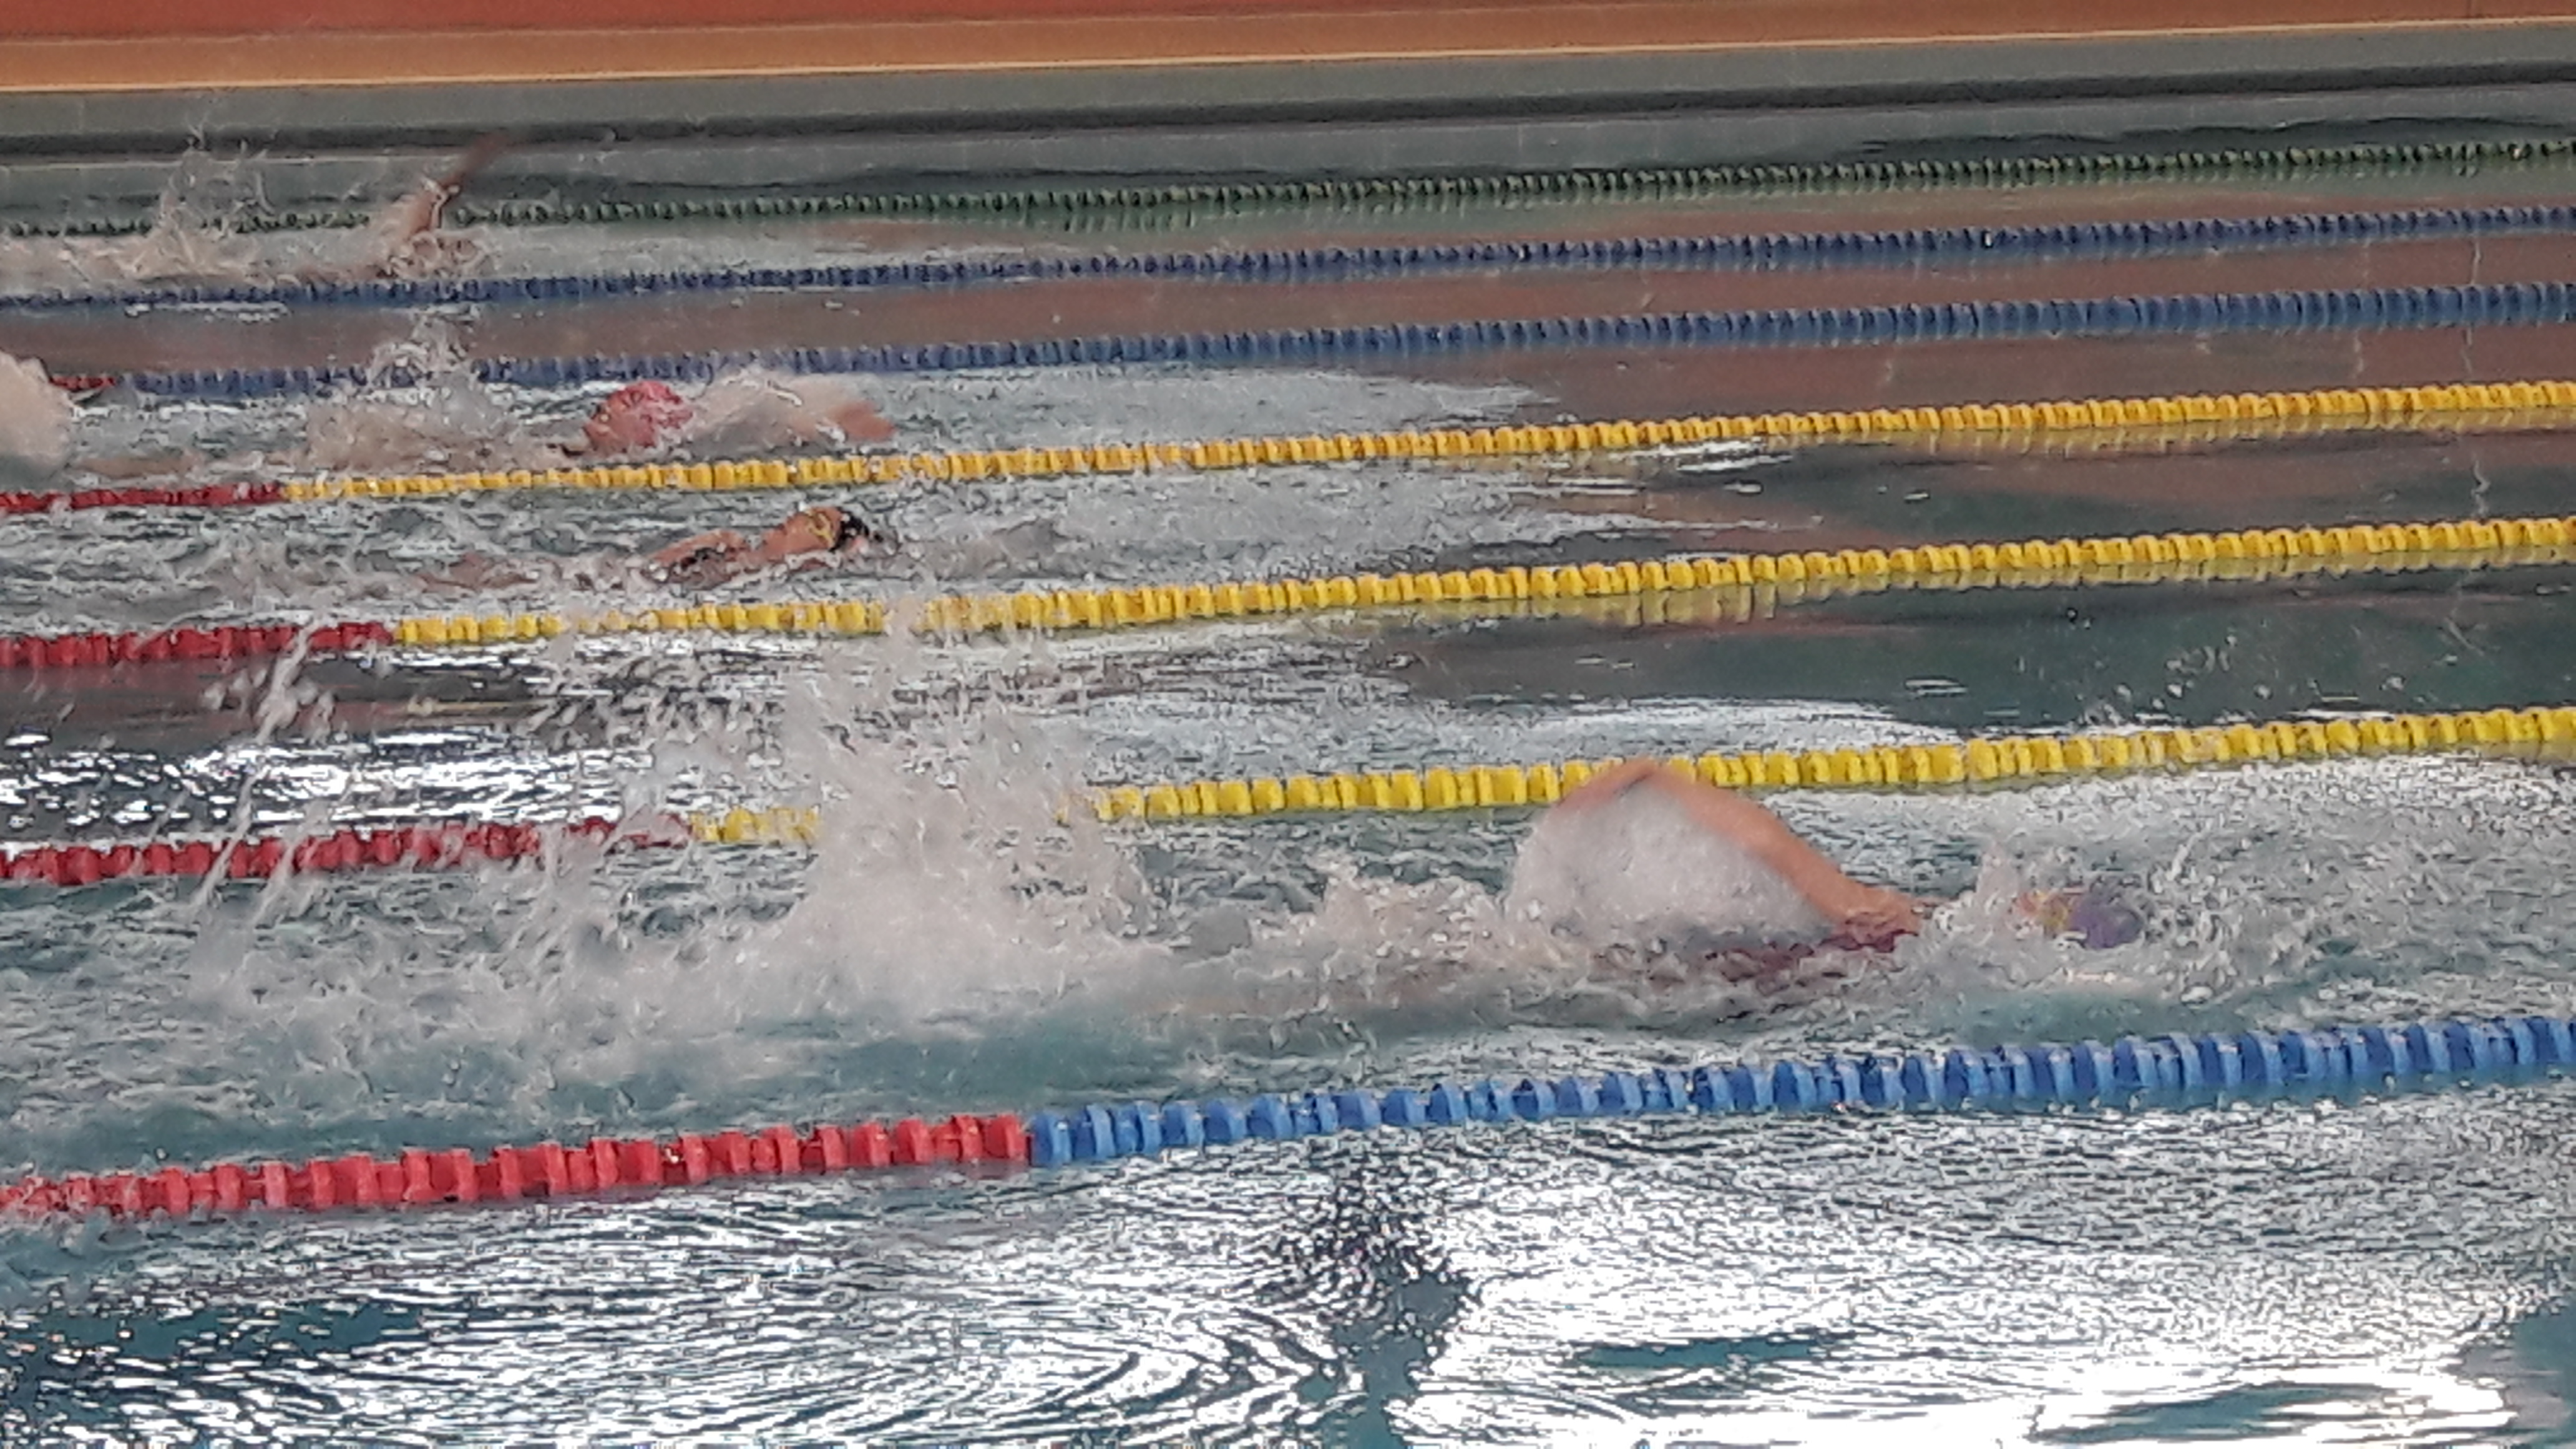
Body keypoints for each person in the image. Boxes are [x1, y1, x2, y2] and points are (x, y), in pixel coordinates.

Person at [1513, 758, 2140, 982]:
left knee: (1522, 961)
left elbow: (1763, 842)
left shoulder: (1889, 923)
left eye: (2048, 904)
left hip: (1705, 980)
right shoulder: (1937, 942)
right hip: (1719, 983)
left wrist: (1654, 773)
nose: (2029, 893)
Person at [647, 503, 892, 587]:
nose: (800, 519)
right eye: (808, 512)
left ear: (821, 559)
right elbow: (644, 573)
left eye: (817, 523)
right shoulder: (724, 544)